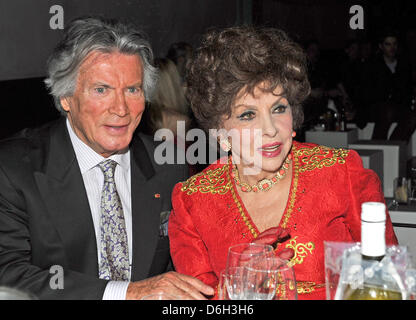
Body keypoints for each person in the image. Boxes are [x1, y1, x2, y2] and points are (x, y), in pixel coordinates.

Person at [168, 26, 398, 300]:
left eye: (279, 108)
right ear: (220, 132)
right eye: (247, 115)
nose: (270, 128)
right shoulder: (193, 202)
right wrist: (236, 286)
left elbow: (388, 283)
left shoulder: (340, 172)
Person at [0, 17, 213, 300]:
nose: (121, 108)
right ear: (66, 97)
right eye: (102, 90)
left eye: (132, 90)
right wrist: (126, 293)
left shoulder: (169, 164)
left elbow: (185, 262)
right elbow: (8, 275)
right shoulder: (14, 168)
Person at [361, 28, 413, 141]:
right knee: (387, 111)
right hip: (377, 106)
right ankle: (378, 144)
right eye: (388, 44)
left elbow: (408, 88)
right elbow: (367, 91)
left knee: (412, 117)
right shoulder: (373, 65)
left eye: (394, 44)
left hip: (398, 105)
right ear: (381, 46)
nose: (392, 48)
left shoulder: (403, 65)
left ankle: (394, 146)